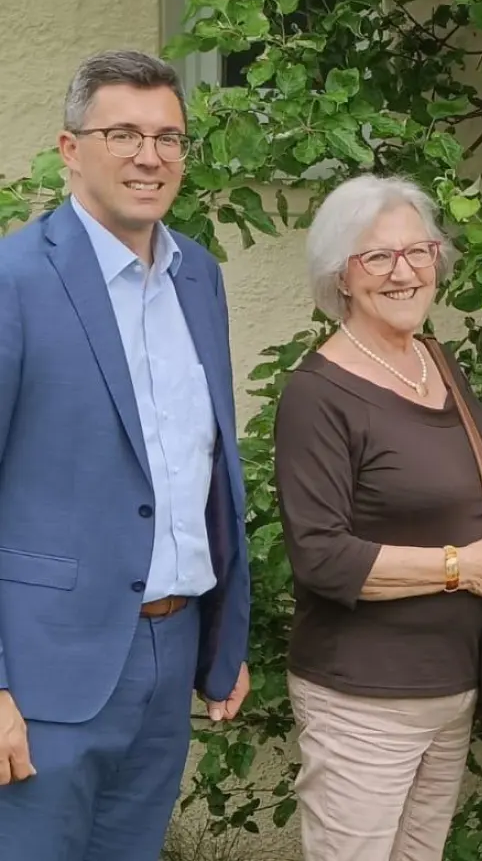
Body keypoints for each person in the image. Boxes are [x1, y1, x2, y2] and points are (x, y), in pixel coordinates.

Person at [0, 49, 253, 860]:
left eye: (169, 137)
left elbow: (207, 470)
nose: (150, 156)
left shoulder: (198, 278)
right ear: (71, 149)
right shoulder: (13, 282)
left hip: (167, 655)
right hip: (42, 673)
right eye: (124, 133)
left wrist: (224, 638)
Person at [271, 174, 482, 861]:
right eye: (378, 257)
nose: (404, 271)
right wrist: (460, 567)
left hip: (451, 685)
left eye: (417, 251)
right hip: (363, 699)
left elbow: (474, 486)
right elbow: (323, 557)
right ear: (342, 276)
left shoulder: (437, 363)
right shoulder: (317, 395)